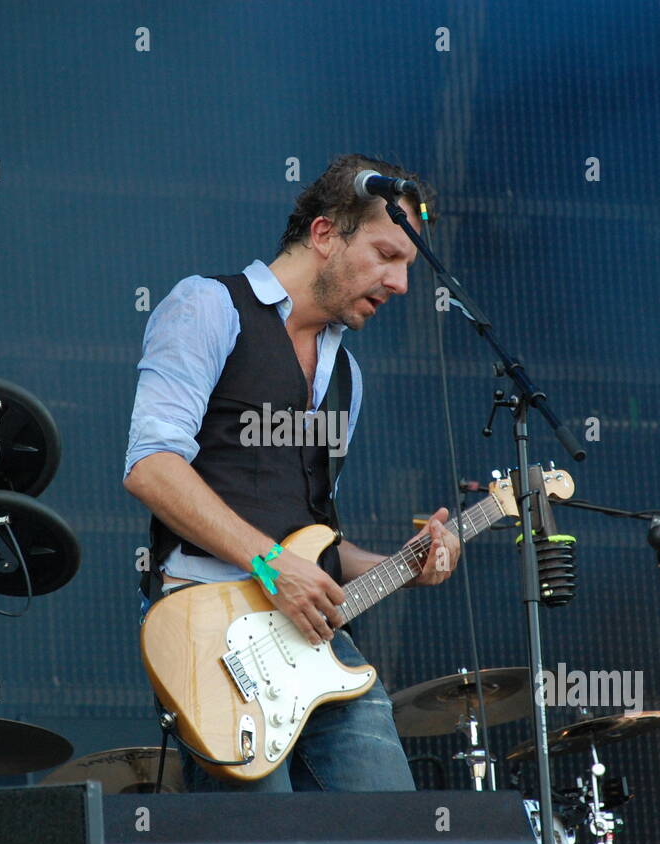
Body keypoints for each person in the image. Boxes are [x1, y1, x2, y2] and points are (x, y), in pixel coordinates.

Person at [123, 154, 461, 792]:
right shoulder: (208, 306)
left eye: (409, 266)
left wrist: (403, 564)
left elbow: (315, 545)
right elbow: (151, 467)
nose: (401, 283)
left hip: (314, 640)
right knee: (263, 841)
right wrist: (269, 564)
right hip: (212, 638)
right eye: (388, 254)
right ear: (325, 233)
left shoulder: (348, 377)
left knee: (389, 831)